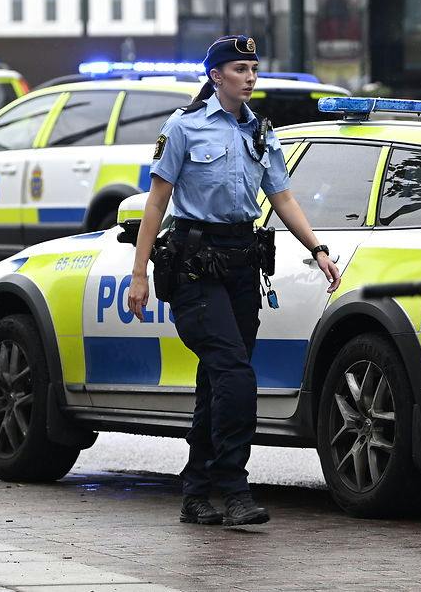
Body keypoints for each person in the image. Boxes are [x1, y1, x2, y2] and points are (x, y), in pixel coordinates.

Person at [126, 35, 342, 528]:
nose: (250, 76)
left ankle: (196, 489)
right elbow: (156, 202)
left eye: (254, 68)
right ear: (215, 76)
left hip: (242, 263)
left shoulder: (262, 132)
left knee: (218, 379)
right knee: (235, 375)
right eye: (240, 68)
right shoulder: (183, 127)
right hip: (194, 267)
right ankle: (233, 485)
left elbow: (282, 197)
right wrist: (139, 273)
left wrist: (318, 249)